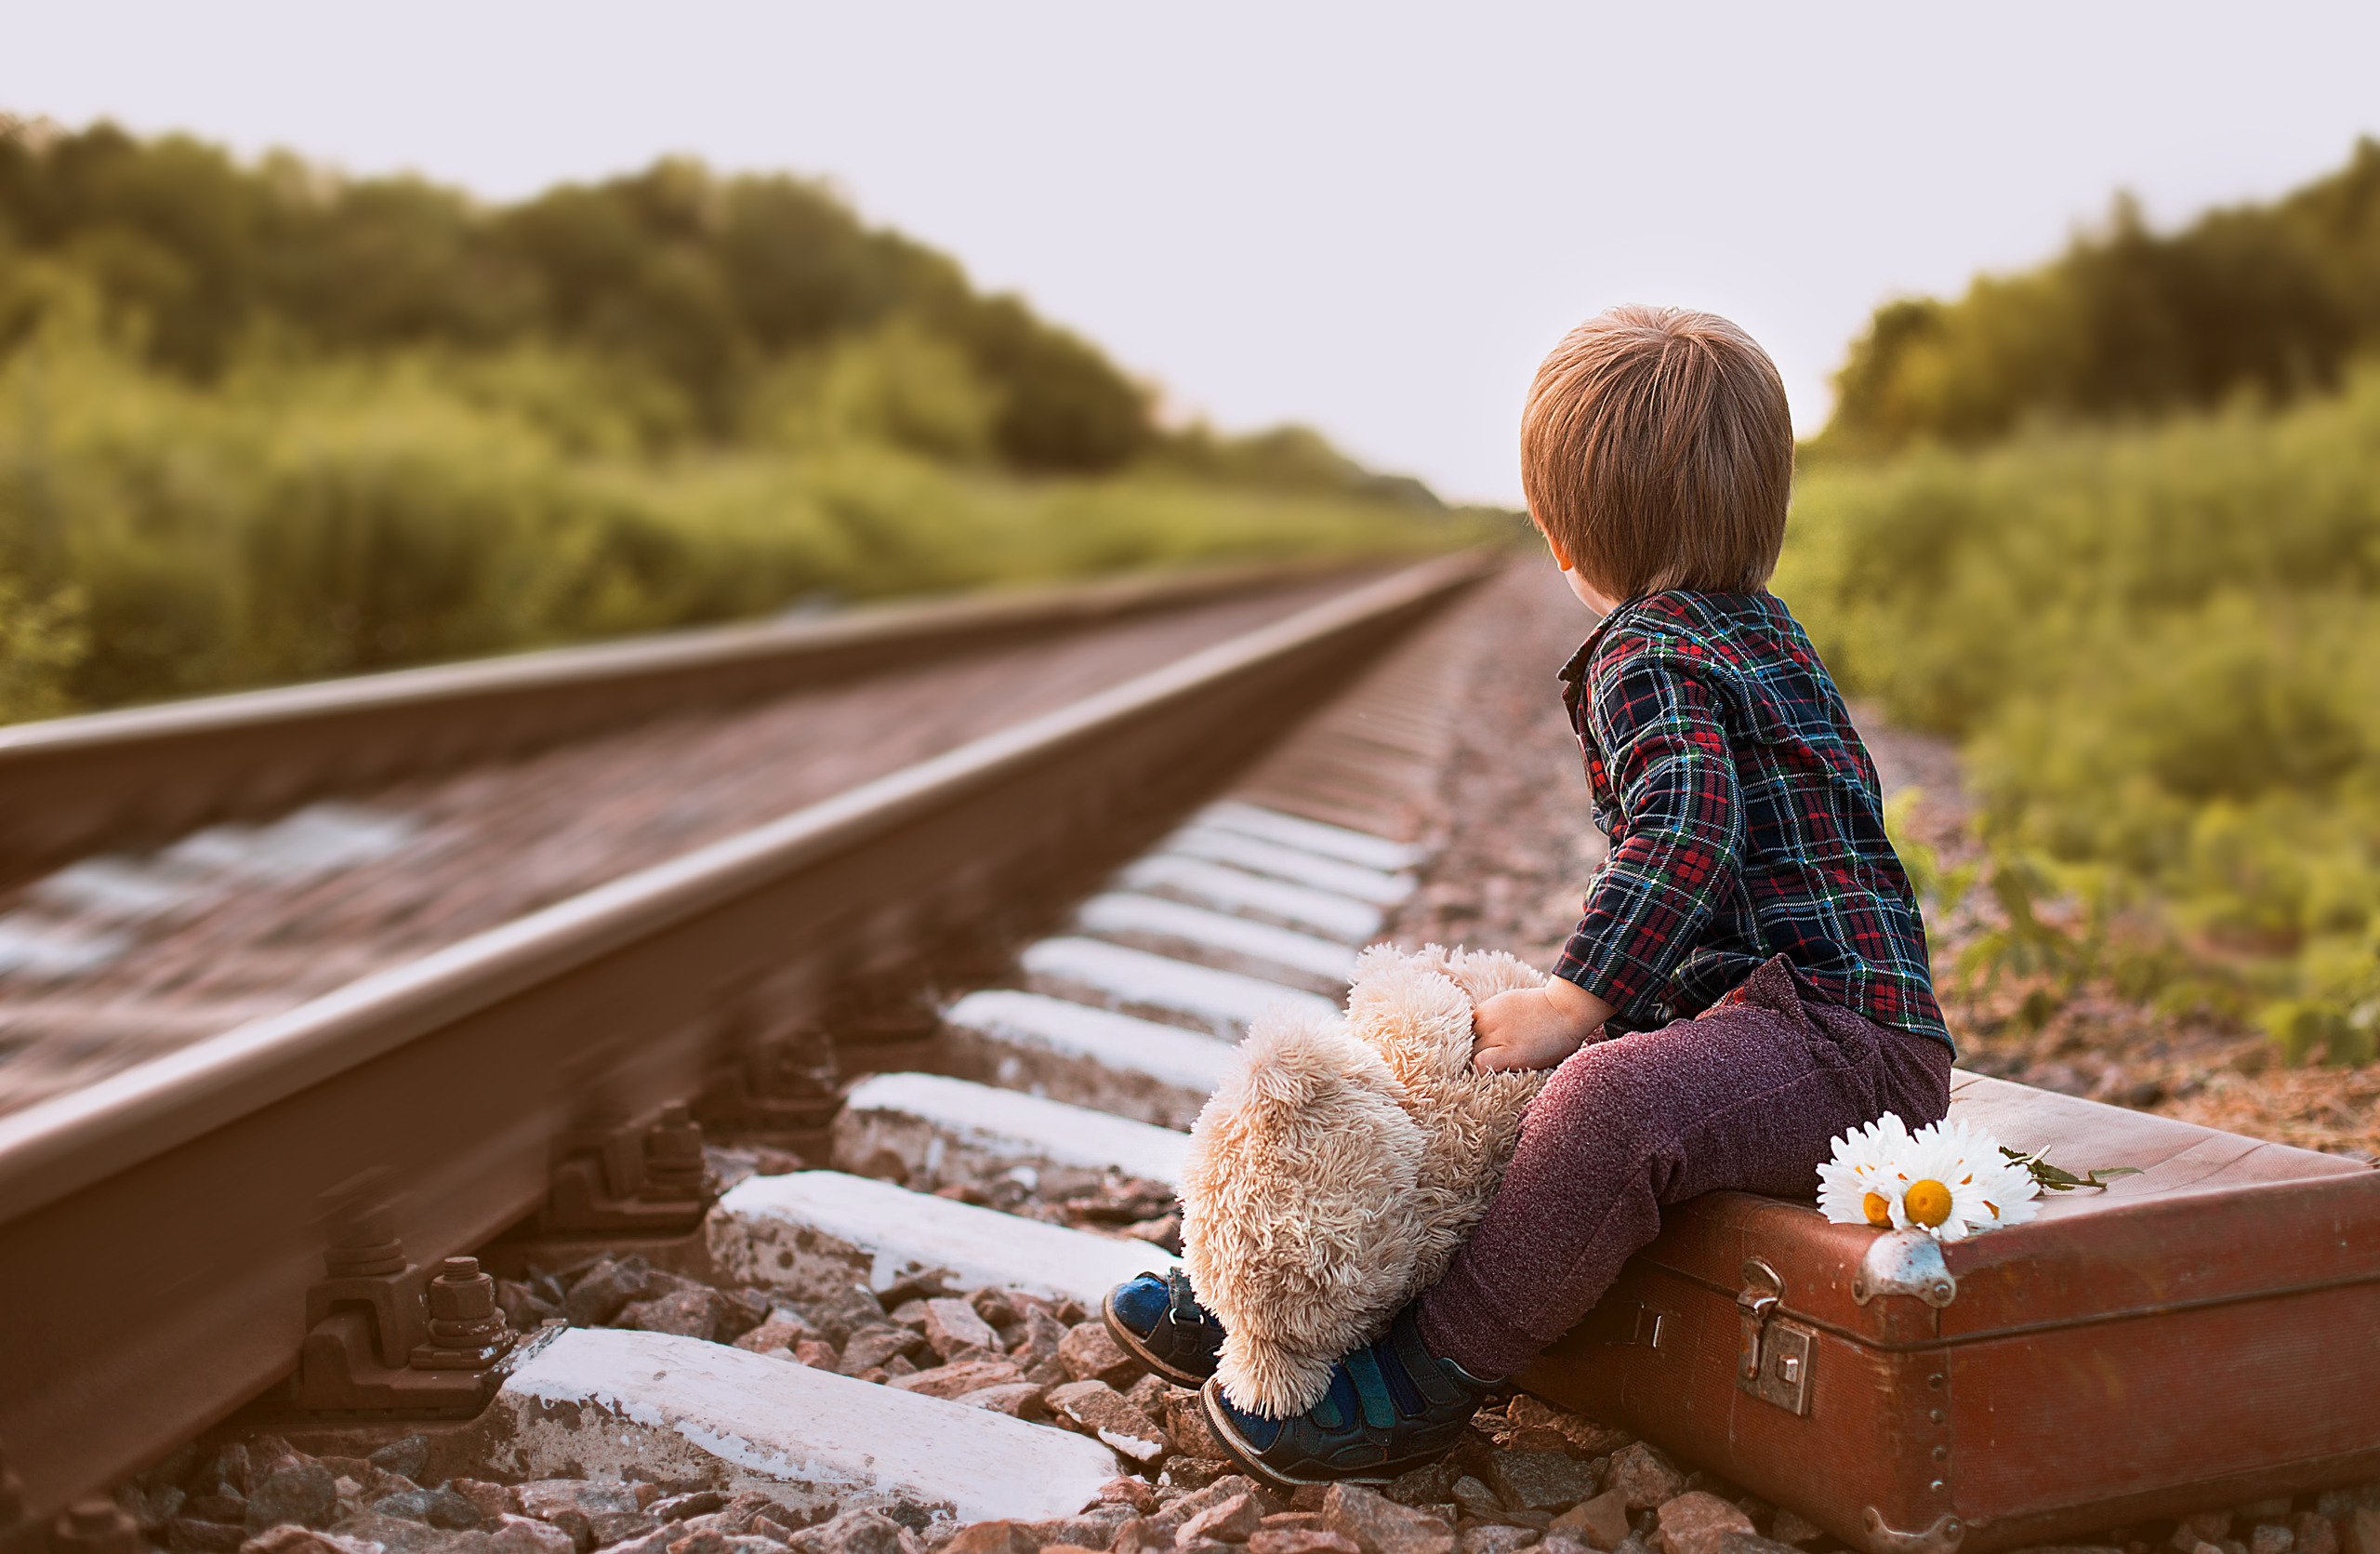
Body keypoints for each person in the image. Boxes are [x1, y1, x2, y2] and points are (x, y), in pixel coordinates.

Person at [1104, 305, 1956, 1489]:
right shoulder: (1760, 632)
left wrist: (1577, 1003)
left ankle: (1422, 1382)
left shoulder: (1646, 653)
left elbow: (1687, 835)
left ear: (1561, 539)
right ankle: (1271, 1279)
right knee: (1470, 1038)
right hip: (1780, 1021)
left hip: (1841, 1053)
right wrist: (1572, 1000)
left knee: (1600, 1097)